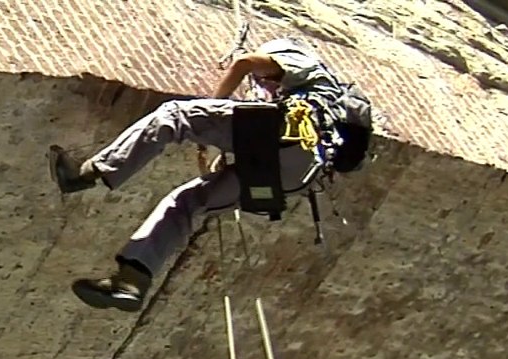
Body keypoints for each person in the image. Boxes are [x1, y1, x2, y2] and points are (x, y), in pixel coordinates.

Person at [48, 36, 372, 312]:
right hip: (295, 177)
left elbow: (244, 62)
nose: (262, 86)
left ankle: (87, 173)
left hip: (288, 133)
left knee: (174, 116)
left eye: (264, 81)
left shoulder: (301, 61)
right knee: (188, 201)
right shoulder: (332, 103)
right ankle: (131, 281)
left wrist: (213, 110)